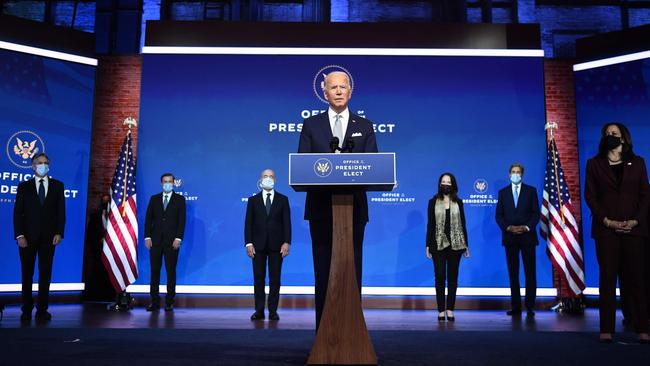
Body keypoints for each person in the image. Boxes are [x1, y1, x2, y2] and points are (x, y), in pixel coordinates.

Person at [297, 71, 378, 329]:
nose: (339, 91)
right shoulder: (312, 125)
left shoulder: (364, 126)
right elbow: (303, 165)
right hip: (321, 211)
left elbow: (373, 167)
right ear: (325, 92)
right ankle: (324, 333)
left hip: (353, 212)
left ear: (351, 91)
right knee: (323, 273)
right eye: (334, 87)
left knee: (352, 273)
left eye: (344, 87)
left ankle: (352, 332)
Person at [584, 122, 649, 343]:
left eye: (614, 133)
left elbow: (645, 196)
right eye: (606, 134)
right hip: (606, 231)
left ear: (623, 138)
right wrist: (607, 221)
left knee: (637, 281)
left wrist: (636, 220)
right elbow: (590, 197)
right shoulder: (594, 164)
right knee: (607, 280)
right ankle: (606, 329)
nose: (609, 136)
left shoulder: (638, 163)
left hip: (634, 231)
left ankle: (642, 327)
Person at [13, 152, 65, 322]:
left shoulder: (58, 185)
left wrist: (59, 232)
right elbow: (17, 213)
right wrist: (19, 235)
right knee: (26, 274)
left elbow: (61, 213)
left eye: (45, 162)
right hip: (27, 238)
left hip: (49, 238)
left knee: (45, 275)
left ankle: (42, 310)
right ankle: (26, 309)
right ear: (33, 166)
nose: (43, 165)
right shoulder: (24, 187)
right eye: (39, 162)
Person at [244, 169, 292, 321]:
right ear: (260, 180)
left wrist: (287, 242)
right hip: (257, 246)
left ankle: (273, 311)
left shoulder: (283, 199)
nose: (268, 179)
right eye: (265, 176)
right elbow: (248, 224)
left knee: (275, 279)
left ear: (275, 180)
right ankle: (259, 311)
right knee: (258, 279)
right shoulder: (253, 200)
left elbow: (287, 224)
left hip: (277, 246)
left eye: (271, 176)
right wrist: (248, 243)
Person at [495, 163, 539, 318]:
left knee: (530, 273)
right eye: (513, 172)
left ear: (522, 174)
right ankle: (515, 307)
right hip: (510, 238)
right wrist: (508, 228)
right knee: (513, 273)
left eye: (518, 172)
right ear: (509, 174)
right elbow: (499, 215)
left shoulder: (531, 191)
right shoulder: (503, 193)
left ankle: (530, 306)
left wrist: (526, 227)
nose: (515, 174)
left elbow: (536, 215)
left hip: (527, 237)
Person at [426, 173, 470, 321]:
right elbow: (430, 225)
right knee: (439, 276)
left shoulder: (459, 202)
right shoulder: (432, 202)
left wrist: (466, 245)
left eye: (448, 182)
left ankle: (450, 309)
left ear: (453, 185)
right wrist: (427, 245)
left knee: (452, 277)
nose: (445, 184)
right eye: (443, 182)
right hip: (437, 244)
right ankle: (440, 310)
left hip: (456, 245)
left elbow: (463, 224)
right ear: (439, 184)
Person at [144, 173, 186, 312]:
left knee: (170, 272)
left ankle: (169, 302)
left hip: (172, 242)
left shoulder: (180, 200)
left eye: (169, 181)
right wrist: (147, 237)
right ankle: (154, 302)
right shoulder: (154, 199)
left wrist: (178, 238)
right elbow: (148, 219)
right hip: (155, 242)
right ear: (161, 183)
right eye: (165, 181)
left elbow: (181, 221)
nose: (167, 183)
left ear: (173, 183)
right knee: (155, 271)